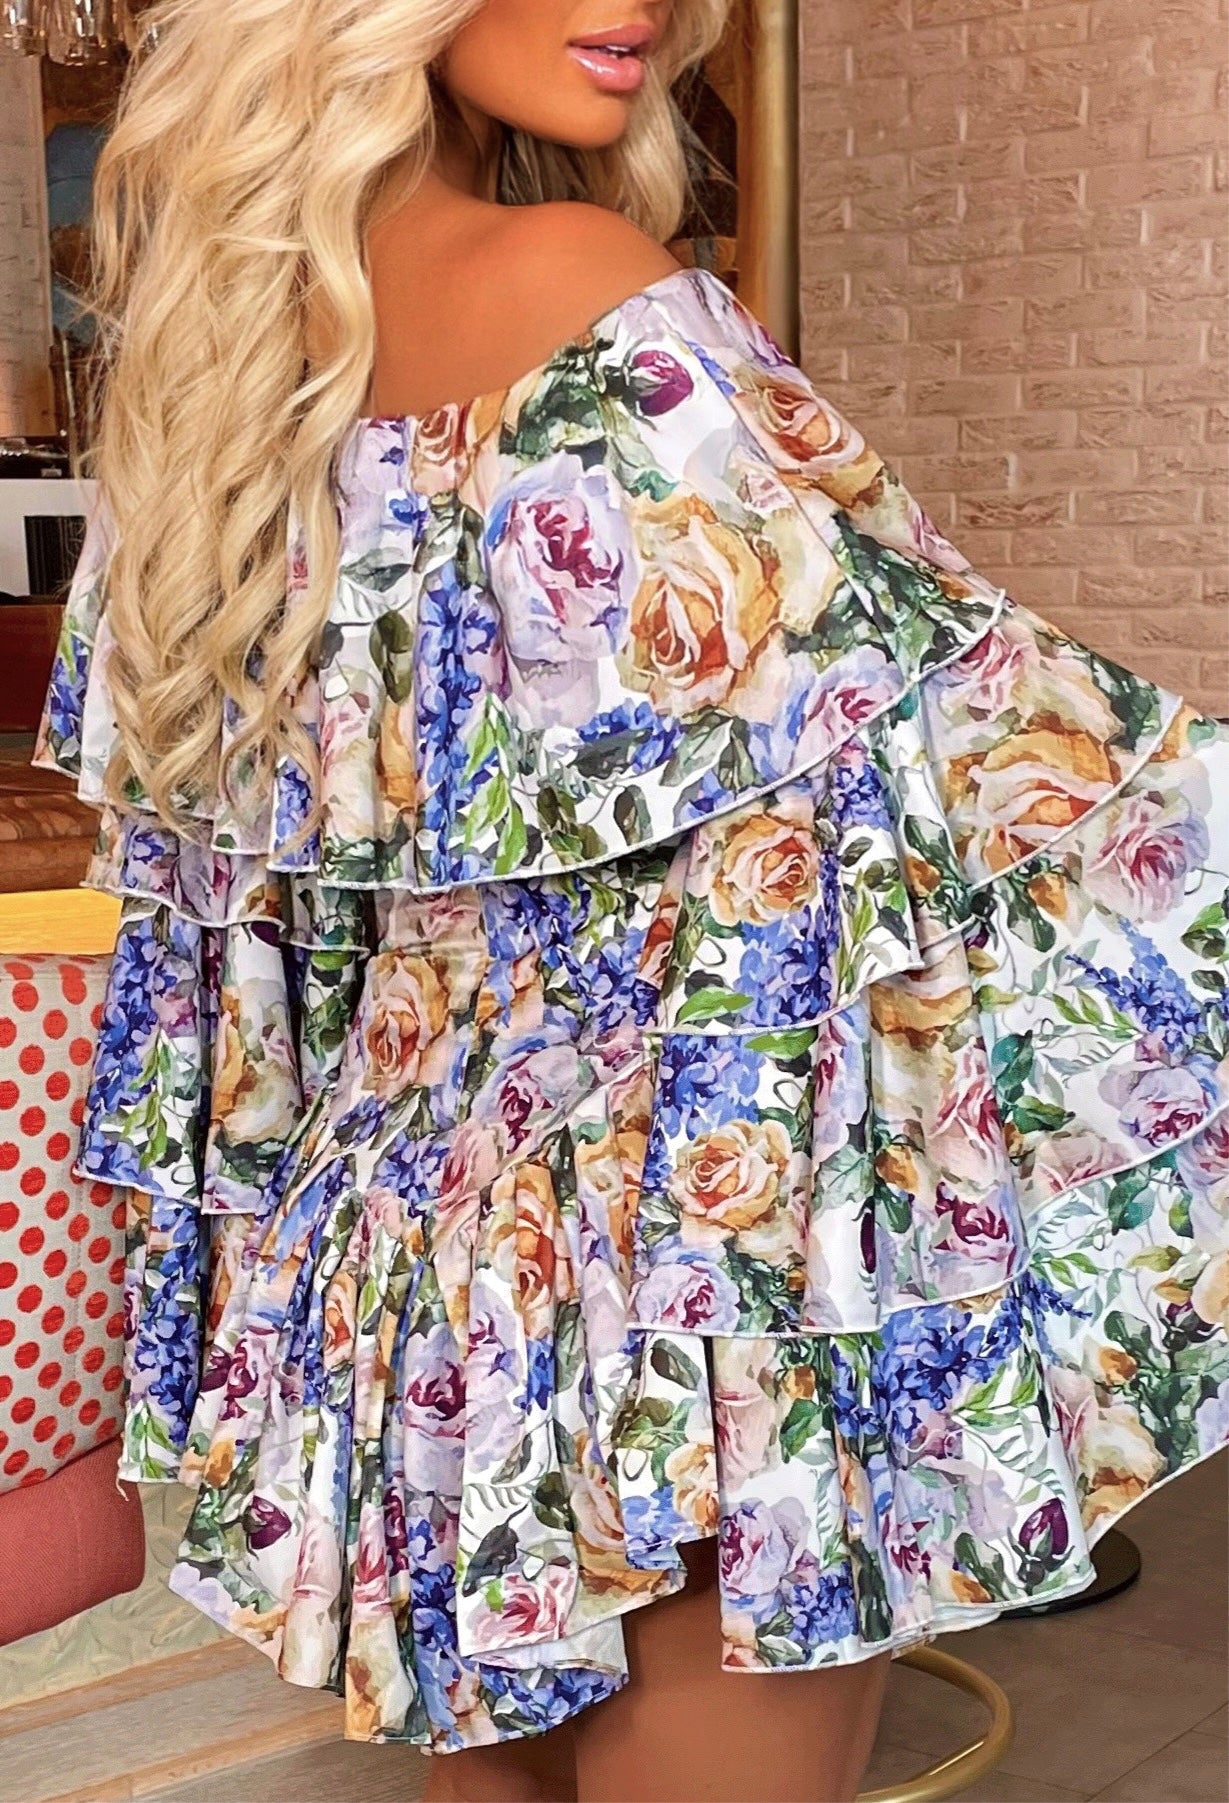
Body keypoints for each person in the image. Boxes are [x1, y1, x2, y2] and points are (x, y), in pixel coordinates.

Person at [34, 1, 1229, 1798]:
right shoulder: (581, 289)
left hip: (415, 1267)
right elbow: (944, 758)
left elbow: (239, 967)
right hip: (693, 1247)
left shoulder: (212, 387)